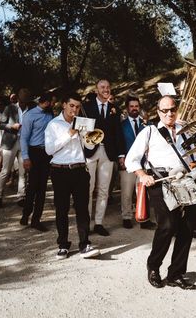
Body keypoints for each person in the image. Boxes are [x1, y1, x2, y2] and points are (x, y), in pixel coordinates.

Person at [125, 95, 196, 290]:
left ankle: (176, 273)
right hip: (160, 182)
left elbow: (195, 156)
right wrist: (142, 175)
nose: (169, 113)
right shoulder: (149, 131)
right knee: (167, 225)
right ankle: (153, 266)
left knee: (187, 227)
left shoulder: (185, 131)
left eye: (173, 109)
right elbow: (131, 159)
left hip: (185, 181)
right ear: (158, 112)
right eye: (165, 110)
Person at [45, 92, 100, 260]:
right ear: (64, 105)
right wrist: (70, 133)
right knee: (61, 209)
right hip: (60, 170)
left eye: (77, 107)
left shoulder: (82, 123)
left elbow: (89, 147)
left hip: (79, 169)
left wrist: (87, 136)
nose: (74, 109)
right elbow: (49, 150)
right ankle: (63, 245)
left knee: (83, 209)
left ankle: (85, 244)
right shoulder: (53, 125)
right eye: (71, 106)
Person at [81, 79, 126, 236]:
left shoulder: (115, 109)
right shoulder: (85, 107)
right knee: (88, 188)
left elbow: (118, 133)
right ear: (96, 89)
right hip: (90, 151)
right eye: (102, 87)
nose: (106, 89)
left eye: (108, 87)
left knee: (104, 190)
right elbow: (80, 129)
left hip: (108, 153)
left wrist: (121, 154)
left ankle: (99, 223)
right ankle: (85, 223)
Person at [119, 96, 155, 230]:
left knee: (142, 192)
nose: (134, 108)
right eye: (131, 106)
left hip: (143, 164)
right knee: (127, 192)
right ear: (127, 108)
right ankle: (126, 217)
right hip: (127, 163)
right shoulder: (121, 125)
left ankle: (144, 219)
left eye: (136, 106)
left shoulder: (147, 124)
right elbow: (120, 142)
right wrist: (121, 156)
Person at [19, 93, 54, 231]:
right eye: (51, 102)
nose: (52, 105)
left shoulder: (50, 114)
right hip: (33, 152)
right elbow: (23, 138)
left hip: (46, 153)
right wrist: (26, 157)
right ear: (45, 102)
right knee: (32, 186)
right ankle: (25, 214)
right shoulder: (30, 115)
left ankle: (36, 219)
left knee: (42, 188)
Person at [0, 90, 29, 208]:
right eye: (22, 99)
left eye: (26, 99)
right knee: (5, 171)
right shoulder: (10, 108)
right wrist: (11, 126)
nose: (23, 101)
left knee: (22, 172)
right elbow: (0, 124)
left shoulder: (31, 110)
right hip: (10, 142)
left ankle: (21, 196)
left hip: (24, 143)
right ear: (18, 98)